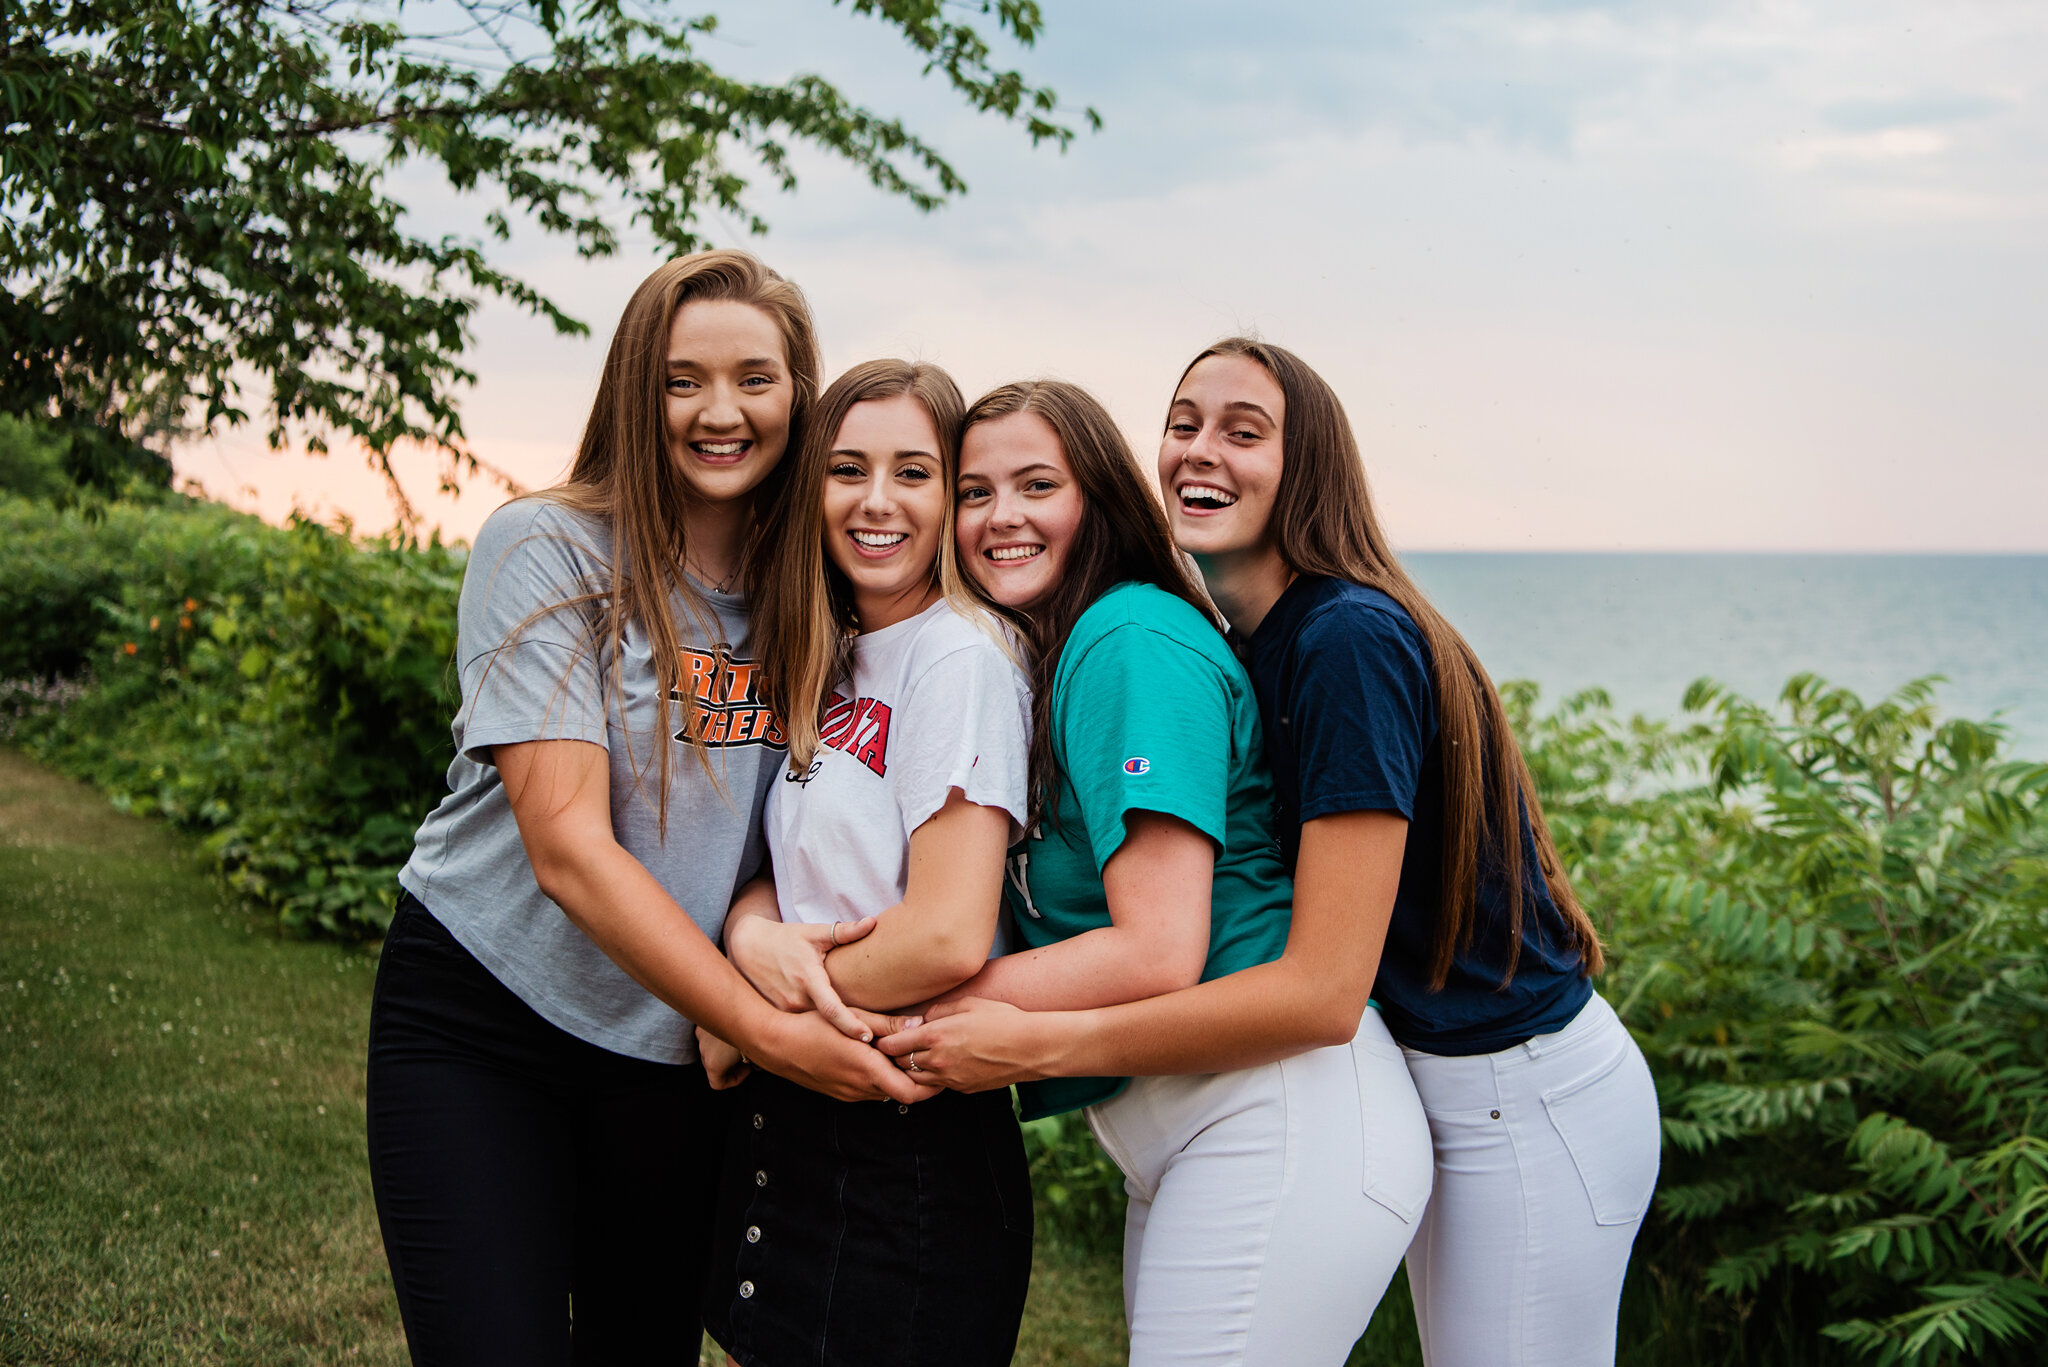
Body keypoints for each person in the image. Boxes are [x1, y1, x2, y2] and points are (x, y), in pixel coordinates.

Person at [881, 344, 1662, 1366]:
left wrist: (1020, 1038)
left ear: (1308, 465)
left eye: (1242, 431)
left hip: (1514, 1083)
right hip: (1412, 1074)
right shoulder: (1240, 636)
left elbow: (1317, 990)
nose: (1201, 451)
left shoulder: (1342, 640)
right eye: (1184, 424)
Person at [366, 251, 923, 1367]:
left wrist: (758, 933)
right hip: (488, 1022)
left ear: (797, 394)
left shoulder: (817, 592)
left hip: (674, 1057)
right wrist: (766, 1026)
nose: (720, 411)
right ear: (636, 390)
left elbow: (794, 824)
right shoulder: (549, 548)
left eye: (754, 378)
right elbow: (568, 847)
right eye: (682, 380)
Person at [902, 379, 1433, 1366]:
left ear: (1097, 497)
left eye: (1034, 484)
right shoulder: (1048, 653)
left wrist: (920, 1009)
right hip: (1192, 1126)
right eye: (973, 492)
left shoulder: (1126, 642)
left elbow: (1156, 946)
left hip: (1273, 1117)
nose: (999, 517)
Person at [698, 360, 1035, 1367]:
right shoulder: (833, 650)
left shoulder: (959, 658)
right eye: (847, 469)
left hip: (907, 1143)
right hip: (795, 1124)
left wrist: (750, 1019)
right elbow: (783, 862)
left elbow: (944, 932)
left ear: (949, 495)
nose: (876, 501)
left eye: (913, 472)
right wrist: (747, 939)